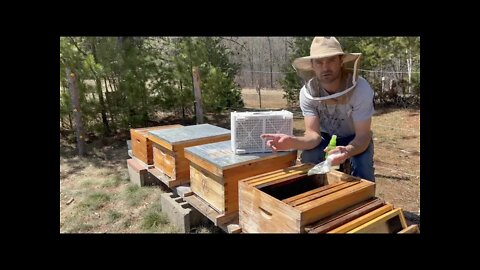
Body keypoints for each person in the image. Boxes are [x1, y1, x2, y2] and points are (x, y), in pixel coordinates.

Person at [261, 36, 375, 181]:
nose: (325, 67)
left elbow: (363, 136)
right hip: (324, 137)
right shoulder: (307, 93)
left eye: (331, 60)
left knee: (363, 171)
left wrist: (347, 151)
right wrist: (292, 141)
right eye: (319, 62)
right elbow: (313, 135)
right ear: (312, 65)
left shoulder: (361, 89)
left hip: (355, 138)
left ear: (340, 61)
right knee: (309, 161)